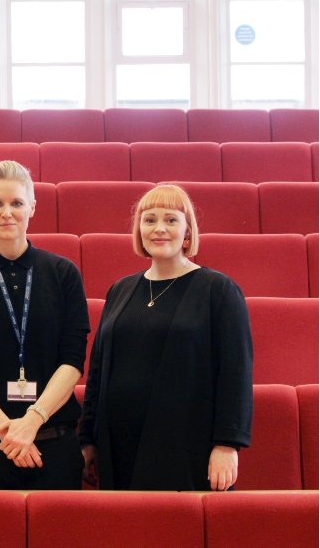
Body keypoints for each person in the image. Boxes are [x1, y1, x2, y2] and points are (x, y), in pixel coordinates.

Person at [79, 184, 252, 491]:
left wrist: (227, 445)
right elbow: (97, 371)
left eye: (171, 220)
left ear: (187, 232)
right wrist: (88, 439)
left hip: (185, 445)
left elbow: (235, 372)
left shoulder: (218, 289)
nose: (159, 228)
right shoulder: (120, 289)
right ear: (139, 231)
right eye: (150, 220)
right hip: (117, 445)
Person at [0, 160, 89, 490]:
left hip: (53, 443)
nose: (7, 212)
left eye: (17, 203)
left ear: (32, 207)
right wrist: (10, 432)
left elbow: (72, 360)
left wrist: (33, 420)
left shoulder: (63, 273)